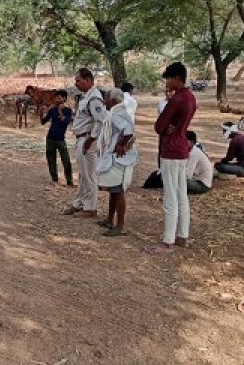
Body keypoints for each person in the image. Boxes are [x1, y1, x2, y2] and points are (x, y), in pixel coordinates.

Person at [147, 62, 197, 253]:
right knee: (181, 194)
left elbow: (159, 127)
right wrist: (175, 126)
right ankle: (182, 235)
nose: (167, 83)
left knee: (170, 196)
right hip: (182, 148)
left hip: (170, 149)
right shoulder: (191, 97)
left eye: (168, 79)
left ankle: (167, 240)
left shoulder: (176, 100)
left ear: (176, 78)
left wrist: (170, 128)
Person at [62, 68, 106, 218]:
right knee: (82, 174)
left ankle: (90, 208)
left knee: (89, 175)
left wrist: (91, 139)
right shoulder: (85, 96)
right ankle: (79, 203)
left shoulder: (94, 98)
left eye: (79, 80)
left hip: (87, 140)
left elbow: (101, 121)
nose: (76, 84)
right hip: (82, 138)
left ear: (88, 80)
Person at [96, 88, 137, 237]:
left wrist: (121, 145)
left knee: (118, 192)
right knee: (113, 190)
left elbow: (128, 131)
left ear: (112, 101)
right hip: (114, 156)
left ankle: (119, 226)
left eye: (106, 98)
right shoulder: (116, 113)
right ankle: (109, 220)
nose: (104, 101)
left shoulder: (117, 114)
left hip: (118, 158)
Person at [40, 89, 74, 186]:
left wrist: (60, 112)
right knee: (51, 159)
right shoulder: (52, 109)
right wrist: (41, 112)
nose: (57, 100)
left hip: (60, 139)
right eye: (56, 98)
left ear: (64, 99)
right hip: (50, 138)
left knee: (66, 160)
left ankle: (69, 181)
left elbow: (65, 122)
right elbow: (43, 122)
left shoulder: (68, 110)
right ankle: (54, 180)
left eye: (59, 98)